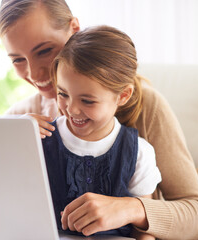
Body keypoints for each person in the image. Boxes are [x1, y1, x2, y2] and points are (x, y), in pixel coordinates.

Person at [0, 0, 198, 239]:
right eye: (17, 59)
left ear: (74, 29)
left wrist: (131, 208)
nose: (35, 74)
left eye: (45, 50)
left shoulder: (146, 107)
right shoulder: (20, 119)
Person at [42, 25, 161, 239]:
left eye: (87, 100)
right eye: (63, 93)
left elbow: (144, 230)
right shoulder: (41, 139)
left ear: (123, 96)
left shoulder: (138, 152)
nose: (71, 109)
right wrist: (22, 133)